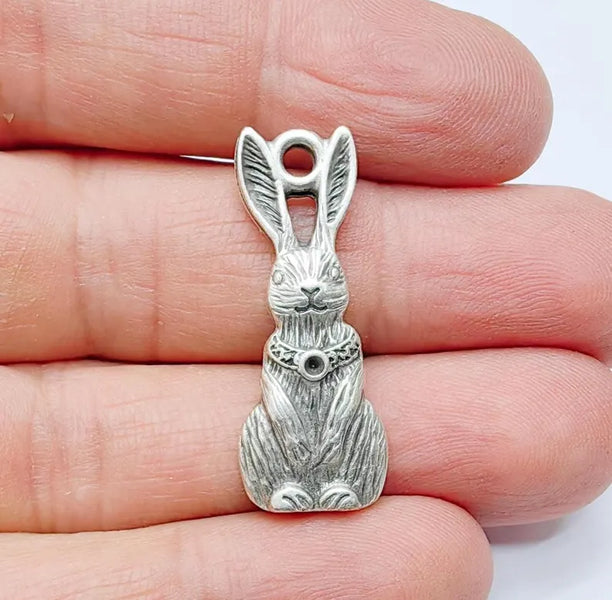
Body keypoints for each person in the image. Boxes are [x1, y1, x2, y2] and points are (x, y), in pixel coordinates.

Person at [0, 1, 610, 598]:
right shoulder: (279, 346)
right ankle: (284, 486)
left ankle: (347, 483)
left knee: (359, 422)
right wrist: (294, 421)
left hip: (340, 446)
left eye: (324, 277)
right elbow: (278, 399)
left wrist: (336, 409)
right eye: (295, 280)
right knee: (265, 427)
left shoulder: (345, 341)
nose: (313, 289)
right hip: (289, 449)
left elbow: (348, 396)